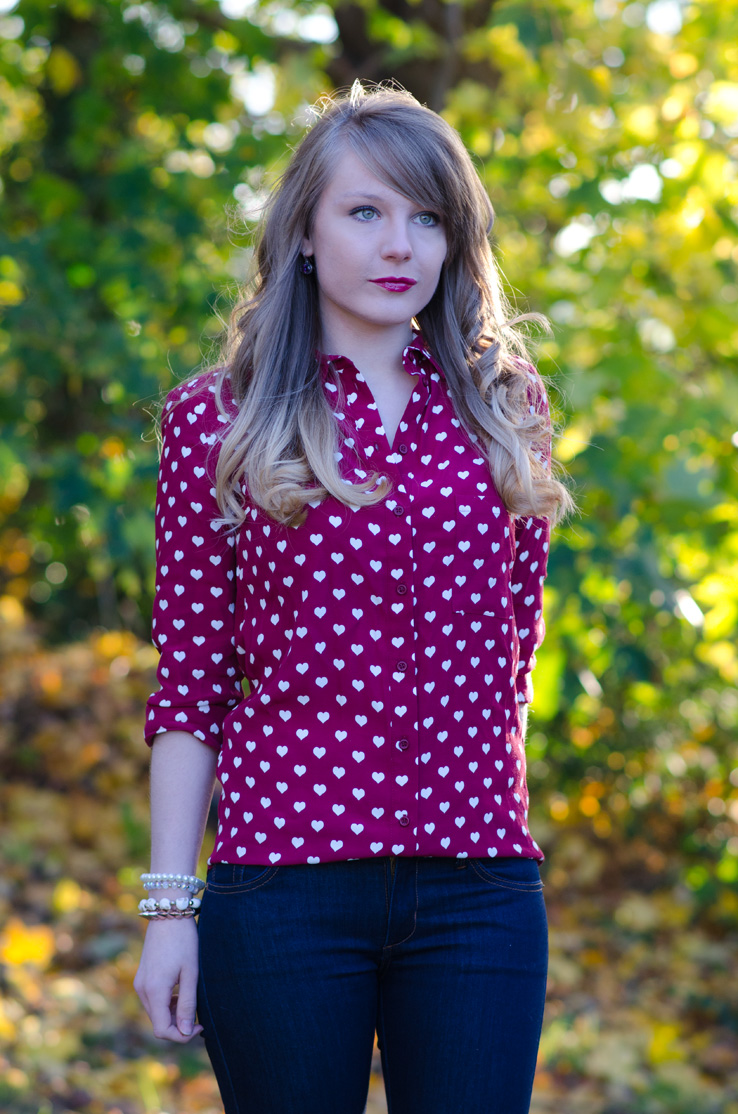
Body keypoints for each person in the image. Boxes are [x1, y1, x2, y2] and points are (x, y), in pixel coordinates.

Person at [134, 81, 573, 1114]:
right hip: (283, 885)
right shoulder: (218, 418)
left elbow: (515, 643)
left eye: (429, 218)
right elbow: (191, 680)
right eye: (366, 211)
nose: (400, 244)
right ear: (303, 233)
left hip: (477, 884)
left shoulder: (511, 410)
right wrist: (168, 907)